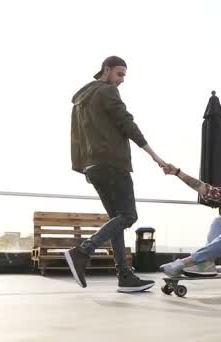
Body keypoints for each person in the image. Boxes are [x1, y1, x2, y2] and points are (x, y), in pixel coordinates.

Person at [65, 56, 166, 292]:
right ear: (106, 70)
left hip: (93, 166)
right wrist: (155, 156)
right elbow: (127, 123)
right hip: (112, 164)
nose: (121, 81)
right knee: (128, 216)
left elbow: (76, 138)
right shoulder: (107, 91)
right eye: (119, 74)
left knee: (116, 221)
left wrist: (84, 167)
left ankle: (124, 276)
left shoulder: (80, 100)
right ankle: (83, 252)